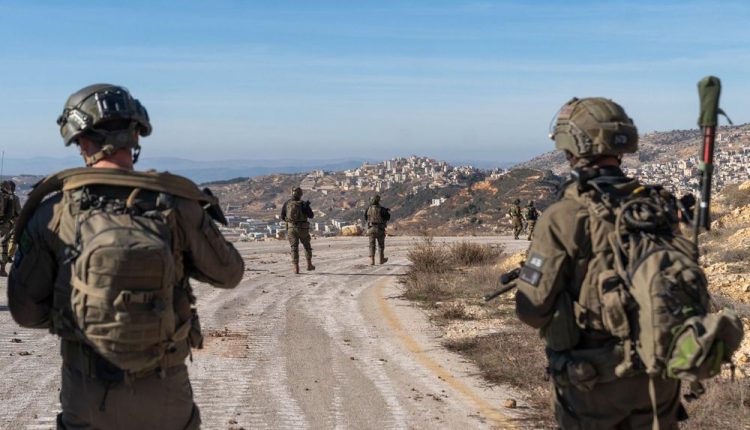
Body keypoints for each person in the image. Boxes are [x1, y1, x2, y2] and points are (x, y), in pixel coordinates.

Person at [7, 84, 245, 430]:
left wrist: (82, 310)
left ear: (81, 141)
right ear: (136, 136)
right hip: (165, 392)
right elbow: (229, 274)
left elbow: (26, 312)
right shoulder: (177, 202)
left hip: (88, 394)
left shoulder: (53, 211)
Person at [514, 97, 685, 429]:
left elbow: (532, 309)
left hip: (595, 382)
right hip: (659, 378)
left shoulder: (565, 216)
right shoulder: (657, 206)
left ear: (573, 144)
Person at [280, 186, 315, 274]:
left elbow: (282, 216)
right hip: (303, 228)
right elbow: (311, 215)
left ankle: (296, 268)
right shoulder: (303, 204)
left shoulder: (287, 203)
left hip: (291, 229)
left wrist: (291, 222)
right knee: (306, 246)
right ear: (300, 194)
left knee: (294, 247)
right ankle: (309, 265)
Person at [0, 180, 21, 276]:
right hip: (6, 225)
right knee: (4, 245)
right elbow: (18, 212)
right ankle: (2, 269)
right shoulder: (14, 198)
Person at [364, 194, 390, 265]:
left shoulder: (368, 209)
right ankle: (381, 259)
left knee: (372, 245)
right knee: (381, 245)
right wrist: (386, 211)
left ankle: (372, 260)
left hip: (371, 229)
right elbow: (388, 217)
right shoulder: (382, 209)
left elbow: (366, 218)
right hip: (380, 229)